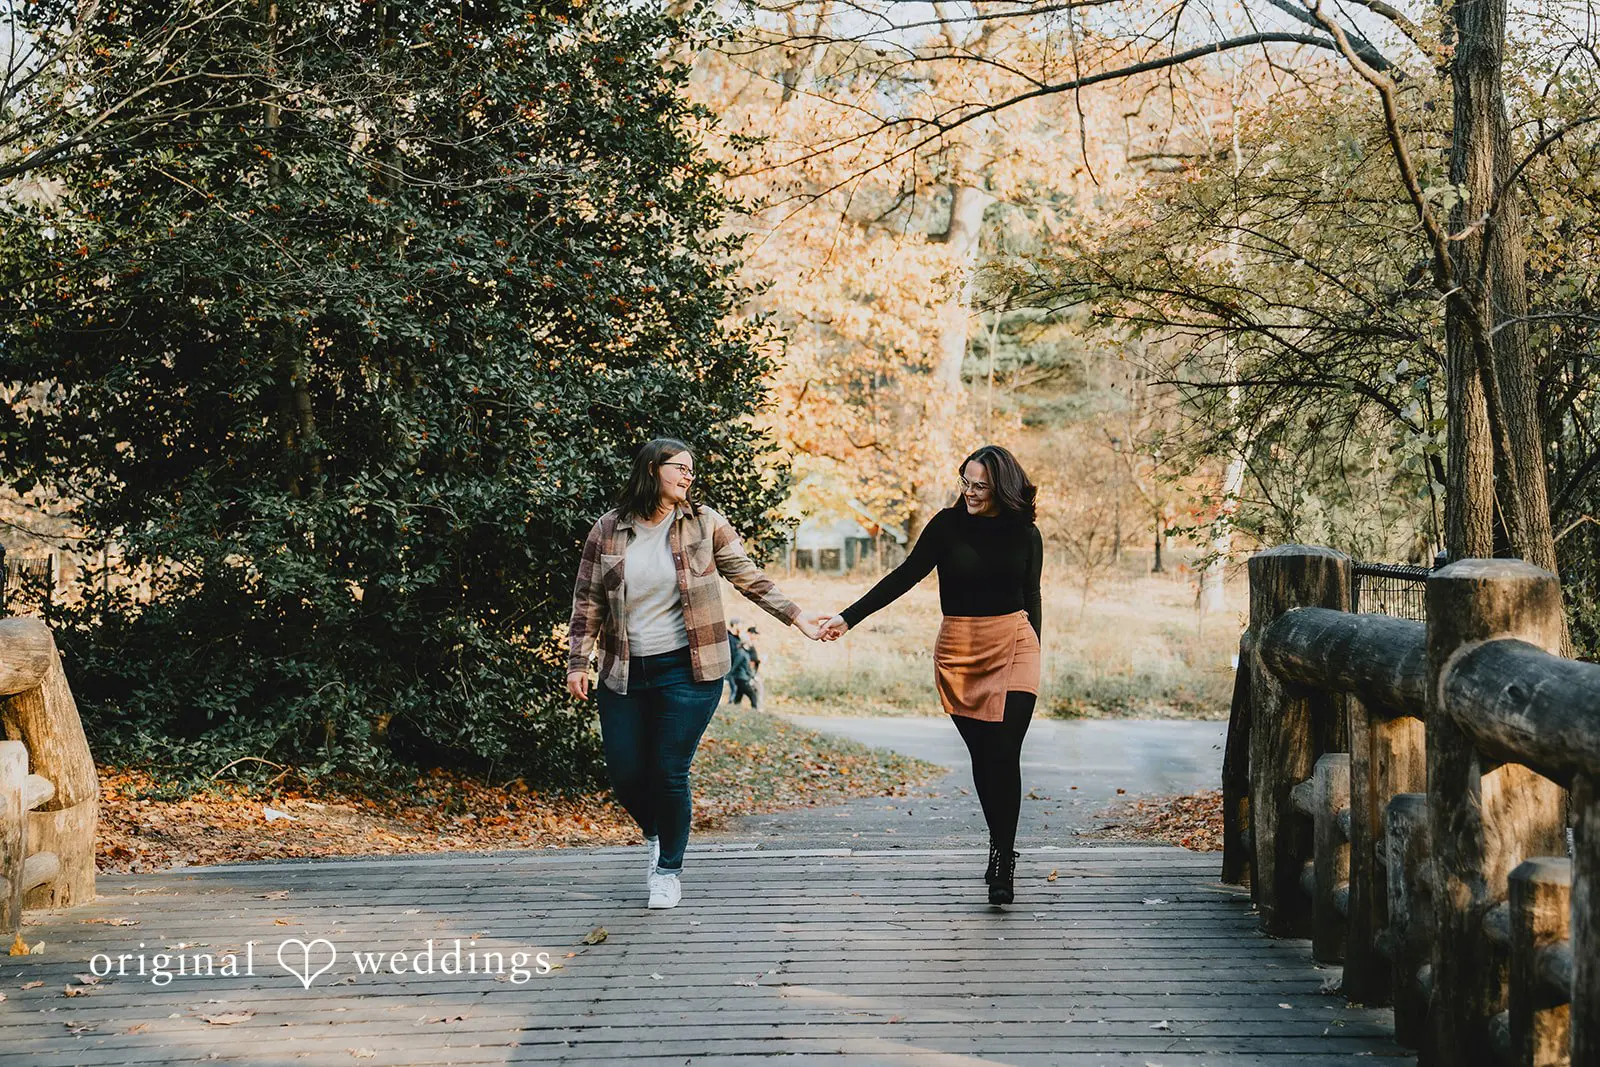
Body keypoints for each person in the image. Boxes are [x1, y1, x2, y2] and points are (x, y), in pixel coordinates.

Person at [567, 438, 825, 909]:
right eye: (680, 468)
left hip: (690, 669)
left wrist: (798, 617)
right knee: (626, 774)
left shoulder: (705, 523)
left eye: (691, 470)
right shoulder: (607, 530)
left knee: (669, 771)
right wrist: (578, 662)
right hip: (624, 671)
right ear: (652, 469)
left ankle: (668, 870)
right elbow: (588, 601)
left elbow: (748, 576)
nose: (688, 476)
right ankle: (655, 834)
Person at [819, 445, 1042, 906]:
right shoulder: (946, 525)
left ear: (1002, 487)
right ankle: (998, 839)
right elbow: (904, 576)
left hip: (1015, 643)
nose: (970, 492)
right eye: (966, 482)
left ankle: (1003, 857)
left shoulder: (1026, 533)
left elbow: (1032, 595)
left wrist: (1034, 645)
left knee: (1005, 751)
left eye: (980, 486)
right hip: (960, 649)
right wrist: (848, 617)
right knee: (984, 755)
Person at [726, 618, 760, 709]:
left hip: (742, 676)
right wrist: (729, 675)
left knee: (738, 694)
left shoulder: (744, 652)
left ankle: (733, 707)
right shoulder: (741, 653)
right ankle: (754, 710)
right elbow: (736, 665)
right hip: (740, 677)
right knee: (752, 695)